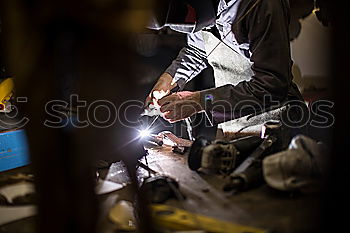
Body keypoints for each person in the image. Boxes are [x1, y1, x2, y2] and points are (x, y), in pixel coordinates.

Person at [145, 0, 304, 132]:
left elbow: (272, 85)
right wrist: (170, 78)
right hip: (232, 126)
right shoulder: (198, 9)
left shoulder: (259, 5)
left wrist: (200, 101)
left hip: (274, 126)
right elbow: (198, 50)